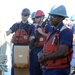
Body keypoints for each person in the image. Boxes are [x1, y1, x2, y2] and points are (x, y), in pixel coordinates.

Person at [38, 4, 73, 75]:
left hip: (58, 70)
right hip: (48, 68)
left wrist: (45, 57)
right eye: (50, 16)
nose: (50, 18)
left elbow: (62, 52)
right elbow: (47, 46)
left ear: (61, 18)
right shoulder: (52, 31)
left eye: (53, 16)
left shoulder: (65, 32)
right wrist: (40, 53)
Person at [6, 8, 31, 75]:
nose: (23, 16)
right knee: (14, 64)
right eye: (22, 14)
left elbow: (32, 38)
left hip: (25, 47)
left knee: (25, 64)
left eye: (25, 15)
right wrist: (3, 34)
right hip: (16, 47)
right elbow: (9, 32)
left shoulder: (30, 26)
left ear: (28, 16)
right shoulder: (16, 25)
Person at [29, 10, 53, 75]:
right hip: (34, 49)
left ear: (42, 17)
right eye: (35, 18)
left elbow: (52, 36)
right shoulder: (34, 27)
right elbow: (31, 36)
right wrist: (32, 38)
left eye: (37, 17)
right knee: (33, 68)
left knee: (40, 69)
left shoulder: (47, 26)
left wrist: (41, 32)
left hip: (42, 50)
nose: (36, 19)